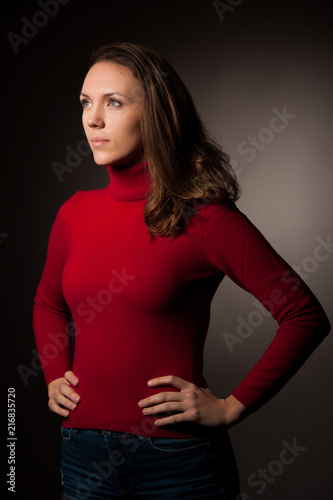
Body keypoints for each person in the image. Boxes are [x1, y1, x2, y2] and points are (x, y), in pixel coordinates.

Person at [32, 42, 331, 500]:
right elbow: (47, 303)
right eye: (86, 103)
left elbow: (304, 316)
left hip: (176, 461)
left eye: (114, 102)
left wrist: (231, 406)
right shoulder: (74, 213)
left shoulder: (206, 218)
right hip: (83, 450)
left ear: (155, 113)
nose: (93, 120)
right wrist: (55, 371)